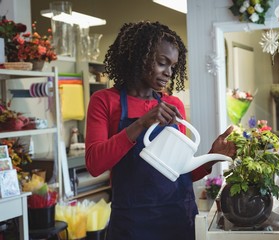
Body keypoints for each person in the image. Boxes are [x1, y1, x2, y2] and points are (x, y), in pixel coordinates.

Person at [85, 21, 236, 240]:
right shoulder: (105, 101)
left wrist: (213, 156)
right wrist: (141, 124)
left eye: (173, 66)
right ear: (139, 57)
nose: (168, 73)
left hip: (179, 219)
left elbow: (180, 172)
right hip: (132, 224)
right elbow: (94, 164)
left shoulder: (173, 104)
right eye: (162, 63)